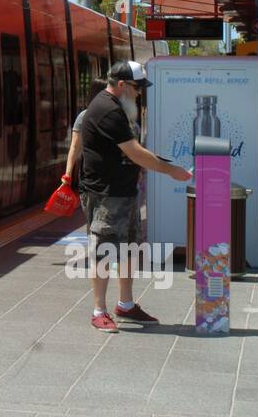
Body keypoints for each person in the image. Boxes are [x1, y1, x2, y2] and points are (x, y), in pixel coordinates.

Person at [80, 60, 192, 332]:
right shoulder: (108, 110)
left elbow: (131, 152)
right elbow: (134, 151)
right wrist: (170, 170)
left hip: (123, 191)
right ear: (121, 85)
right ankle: (99, 310)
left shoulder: (117, 107)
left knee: (129, 248)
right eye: (137, 87)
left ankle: (126, 305)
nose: (140, 92)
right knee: (105, 249)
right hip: (107, 194)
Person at [62, 78, 108, 189]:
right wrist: (67, 174)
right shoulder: (84, 116)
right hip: (91, 178)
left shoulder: (115, 114)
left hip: (107, 178)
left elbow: (75, 147)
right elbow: (75, 147)